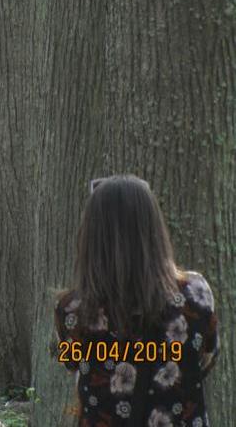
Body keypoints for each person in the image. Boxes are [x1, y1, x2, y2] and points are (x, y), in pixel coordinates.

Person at [54, 175, 218, 426]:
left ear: (91, 236)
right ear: (154, 229)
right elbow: (207, 356)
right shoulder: (196, 295)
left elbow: (71, 365)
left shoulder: (72, 309)